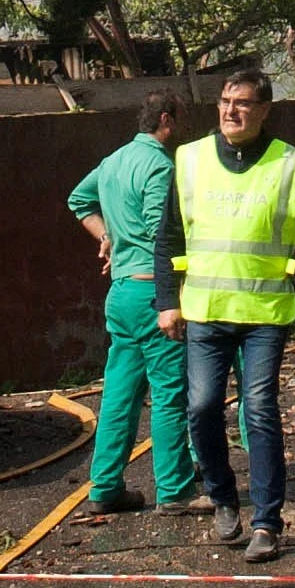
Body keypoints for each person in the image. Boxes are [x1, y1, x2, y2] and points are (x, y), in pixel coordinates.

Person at [155, 69, 295, 564]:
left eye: (242, 103)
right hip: (206, 312)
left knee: (258, 411)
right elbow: (169, 237)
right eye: (224, 101)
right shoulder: (188, 160)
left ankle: (266, 523)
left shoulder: (290, 164)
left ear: (265, 109)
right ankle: (222, 497)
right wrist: (167, 300)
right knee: (201, 407)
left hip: (265, 313)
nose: (230, 111)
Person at [68, 89, 199, 515]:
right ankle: (175, 489)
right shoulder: (160, 166)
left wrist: (106, 236)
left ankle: (104, 487)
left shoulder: (113, 161)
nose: (182, 127)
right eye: (179, 118)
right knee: (168, 393)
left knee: (119, 395)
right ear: (166, 119)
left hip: (121, 292)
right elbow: (161, 232)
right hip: (153, 292)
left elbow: (79, 200)